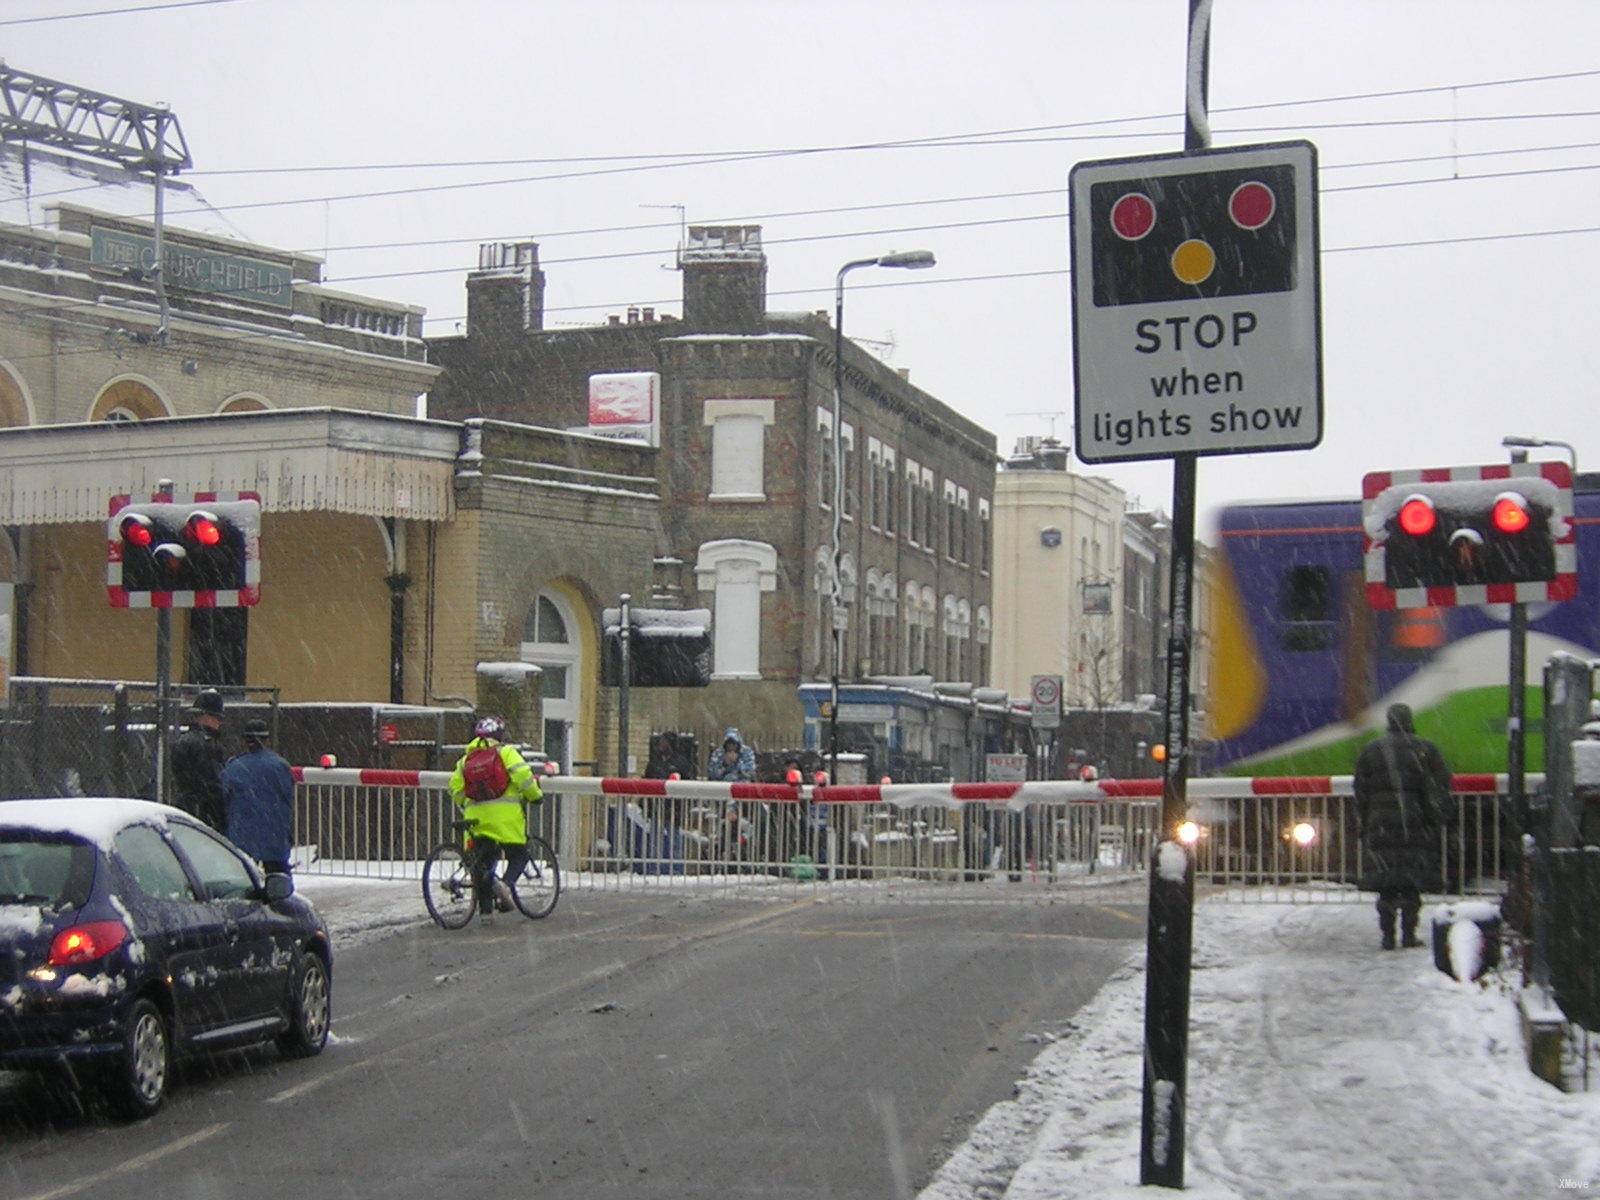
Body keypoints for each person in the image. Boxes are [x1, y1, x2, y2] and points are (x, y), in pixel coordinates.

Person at [1353, 702, 1450, 950]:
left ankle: (1387, 935)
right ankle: (1408, 933)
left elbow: (1360, 790)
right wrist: (1434, 818)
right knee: (1410, 885)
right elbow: (1439, 787)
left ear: (1389, 721)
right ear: (1409, 721)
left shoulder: (1372, 750)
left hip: (1380, 824)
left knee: (1386, 886)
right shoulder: (1425, 750)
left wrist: (1365, 819)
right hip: (1414, 824)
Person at [448, 715, 543, 914]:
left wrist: (468, 804)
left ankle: (485, 914)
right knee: (520, 855)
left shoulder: (465, 760)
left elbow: (455, 789)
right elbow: (524, 777)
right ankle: (506, 887)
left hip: (476, 818)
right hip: (505, 819)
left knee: (484, 864)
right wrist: (535, 796)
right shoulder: (506, 753)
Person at [222, 718, 296, 876]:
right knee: (278, 880)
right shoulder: (280, 765)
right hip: (275, 835)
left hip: (242, 835)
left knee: (243, 879)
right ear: (266, 739)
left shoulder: (235, 766)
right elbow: (287, 798)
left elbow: (224, 797)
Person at [170, 689, 227, 829]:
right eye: (217, 718)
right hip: (204, 813)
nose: (219, 723)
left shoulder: (183, 740)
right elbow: (214, 783)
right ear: (207, 717)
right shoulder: (209, 745)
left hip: (184, 809)